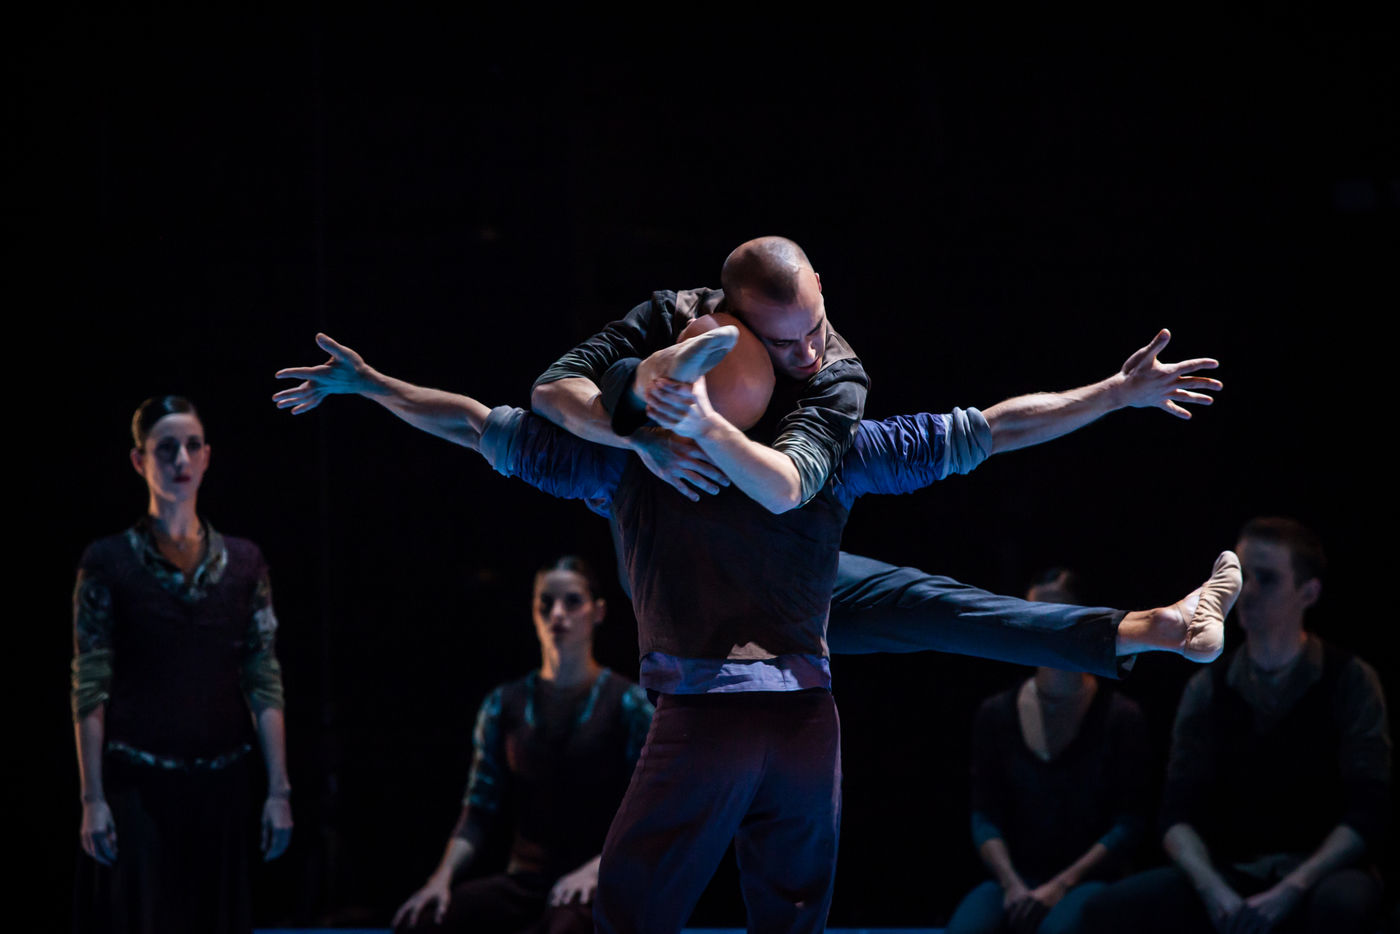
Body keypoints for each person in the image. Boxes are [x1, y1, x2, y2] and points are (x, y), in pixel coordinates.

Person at [274, 317, 1238, 932]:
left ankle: (1151, 626)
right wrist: (1115, 396)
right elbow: (994, 429)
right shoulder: (793, 448)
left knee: (938, 608)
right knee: (942, 608)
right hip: (793, 640)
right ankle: (1149, 628)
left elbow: (470, 423)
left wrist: (374, 387)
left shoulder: (658, 458)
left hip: (762, 645)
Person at [1081, 517, 1391, 934]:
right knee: (1113, 909)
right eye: (1244, 577)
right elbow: (1176, 812)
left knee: (1345, 905)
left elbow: (1370, 808)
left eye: (1267, 578)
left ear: (1309, 592)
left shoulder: (1350, 680)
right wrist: (1214, 890)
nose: (1248, 592)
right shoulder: (1209, 686)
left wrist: (1293, 887)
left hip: (1319, 873)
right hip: (1231, 872)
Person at [71, 396, 292, 934]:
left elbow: (263, 677)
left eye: (192, 446)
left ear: (208, 456)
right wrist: (92, 798)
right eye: (166, 448)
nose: (181, 460)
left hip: (223, 787)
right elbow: (90, 685)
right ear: (139, 460)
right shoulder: (108, 562)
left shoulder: (244, 562)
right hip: (139, 789)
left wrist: (279, 790)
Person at [392, 556, 654, 934]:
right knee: (421, 922)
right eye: (546, 603)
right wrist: (440, 879)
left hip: (595, 878)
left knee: (563, 928)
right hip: (526, 882)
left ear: (597, 612)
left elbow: (648, 812)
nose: (557, 614)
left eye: (572, 602)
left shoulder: (628, 704)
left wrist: (600, 869)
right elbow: (478, 811)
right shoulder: (504, 704)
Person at [946, 569, 1150, 934]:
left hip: (1089, 880)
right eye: (1033, 616)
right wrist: (1011, 883)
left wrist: (1062, 885)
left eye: (1056, 616)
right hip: (1014, 879)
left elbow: (1128, 824)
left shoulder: (1120, 717)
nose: (1044, 629)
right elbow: (984, 814)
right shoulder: (996, 713)